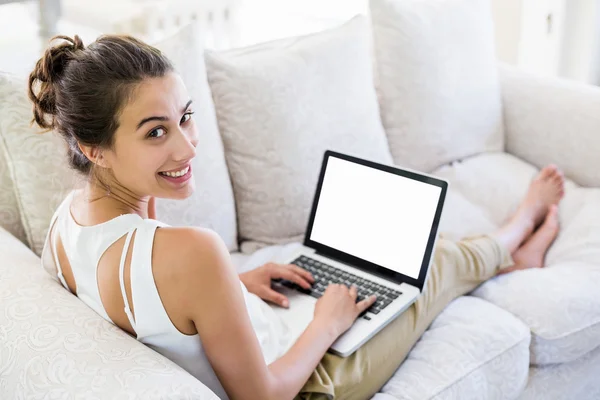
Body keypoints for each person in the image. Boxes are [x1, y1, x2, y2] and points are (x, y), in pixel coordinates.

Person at [32, 34, 564, 400]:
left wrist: (229, 288)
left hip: (262, 330)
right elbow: (263, 396)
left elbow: (144, 307)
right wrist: (325, 322)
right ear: (93, 148)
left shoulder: (65, 225)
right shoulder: (190, 252)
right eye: (155, 132)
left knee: (377, 265)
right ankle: (516, 237)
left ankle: (505, 254)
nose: (188, 147)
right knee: (432, 266)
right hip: (310, 379)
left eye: (185, 118)